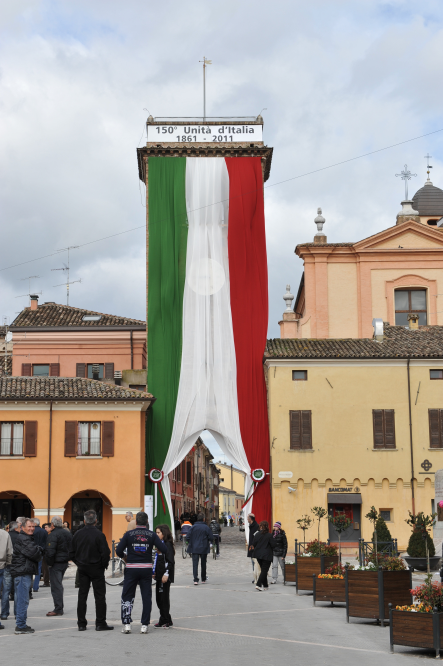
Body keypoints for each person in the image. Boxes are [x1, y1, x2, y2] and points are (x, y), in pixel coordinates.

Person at [116, 511, 167, 634]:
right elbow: (164, 549)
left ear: (136, 522)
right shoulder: (151, 535)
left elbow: (118, 550)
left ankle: (127, 624)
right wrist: (154, 550)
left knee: (127, 595)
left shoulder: (129, 534)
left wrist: (125, 556)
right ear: (147, 522)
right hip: (146, 569)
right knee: (146, 596)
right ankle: (144, 625)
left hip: (132, 568)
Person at [69, 509, 113, 631]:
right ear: (96, 521)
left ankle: (81, 623)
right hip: (96, 568)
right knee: (99, 596)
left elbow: (71, 553)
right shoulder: (99, 534)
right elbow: (105, 553)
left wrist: (79, 563)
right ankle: (100, 623)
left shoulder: (78, 534)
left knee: (82, 595)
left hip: (83, 567)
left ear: (84, 521)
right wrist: (103, 566)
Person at [10, 518, 42, 634]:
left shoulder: (25, 538)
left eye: (33, 526)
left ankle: (20, 623)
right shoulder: (24, 539)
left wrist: (37, 550)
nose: (32, 528)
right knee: (23, 600)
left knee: (20, 599)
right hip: (23, 572)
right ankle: (21, 625)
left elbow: (34, 552)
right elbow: (35, 554)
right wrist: (39, 550)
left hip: (22, 572)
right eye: (29, 526)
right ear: (22, 527)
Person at [45, 516, 72, 616]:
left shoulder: (53, 535)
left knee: (56, 586)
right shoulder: (67, 533)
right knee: (58, 584)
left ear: (52, 524)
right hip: (64, 561)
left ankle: (58, 608)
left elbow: (50, 551)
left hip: (56, 562)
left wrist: (50, 563)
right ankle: (59, 607)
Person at [153, 524, 175, 628]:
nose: (156, 534)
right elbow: (158, 561)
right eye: (156, 532)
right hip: (159, 576)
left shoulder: (167, 545)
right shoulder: (160, 544)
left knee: (163, 599)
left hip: (165, 577)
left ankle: (165, 619)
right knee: (158, 599)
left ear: (164, 533)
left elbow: (170, 561)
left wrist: (166, 574)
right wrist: (155, 572)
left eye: (158, 533)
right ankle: (165, 618)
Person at [186, 513, 213, 585]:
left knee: (195, 564)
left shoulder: (193, 527)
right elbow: (211, 537)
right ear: (203, 519)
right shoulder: (206, 527)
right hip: (204, 547)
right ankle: (203, 579)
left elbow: (187, 537)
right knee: (203, 563)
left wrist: (191, 542)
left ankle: (195, 579)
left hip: (194, 548)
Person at [251, 520, 276, 591]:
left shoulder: (257, 534)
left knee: (263, 570)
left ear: (260, 526)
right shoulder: (269, 535)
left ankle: (265, 585)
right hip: (267, 555)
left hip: (258, 555)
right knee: (264, 571)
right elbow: (273, 545)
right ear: (267, 527)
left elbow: (254, 544)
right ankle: (258, 585)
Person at [0, 527, 13, 628]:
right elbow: (9, 552)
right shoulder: (5, 534)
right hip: (3, 565)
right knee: (5, 591)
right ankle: (4, 613)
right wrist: (8, 564)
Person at [32, 518, 47, 593]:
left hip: (32, 552)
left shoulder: (31, 531)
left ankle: (29, 586)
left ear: (34, 524)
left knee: (30, 569)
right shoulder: (44, 531)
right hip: (41, 552)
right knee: (38, 569)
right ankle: (35, 587)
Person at [246, 513, 260, 582]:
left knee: (256, 563)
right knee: (253, 563)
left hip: (255, 548)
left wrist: (254, 546)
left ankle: (257, 578)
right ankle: (255, 578)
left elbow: (256, 538)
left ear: (250, 519)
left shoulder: (256, 526)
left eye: (247, 518)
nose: (246, 519)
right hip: (252, 547)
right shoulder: (251, 525)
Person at [41, 523, 53, 587]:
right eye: (44, 527)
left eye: (46, 527)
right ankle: (46, 581)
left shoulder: (51, 535)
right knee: (45, 568)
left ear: (50, 528)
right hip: (46, 553)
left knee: (46, 568)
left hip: (47, 553)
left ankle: (46, 582)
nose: (45, 529)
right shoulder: (45, 534)